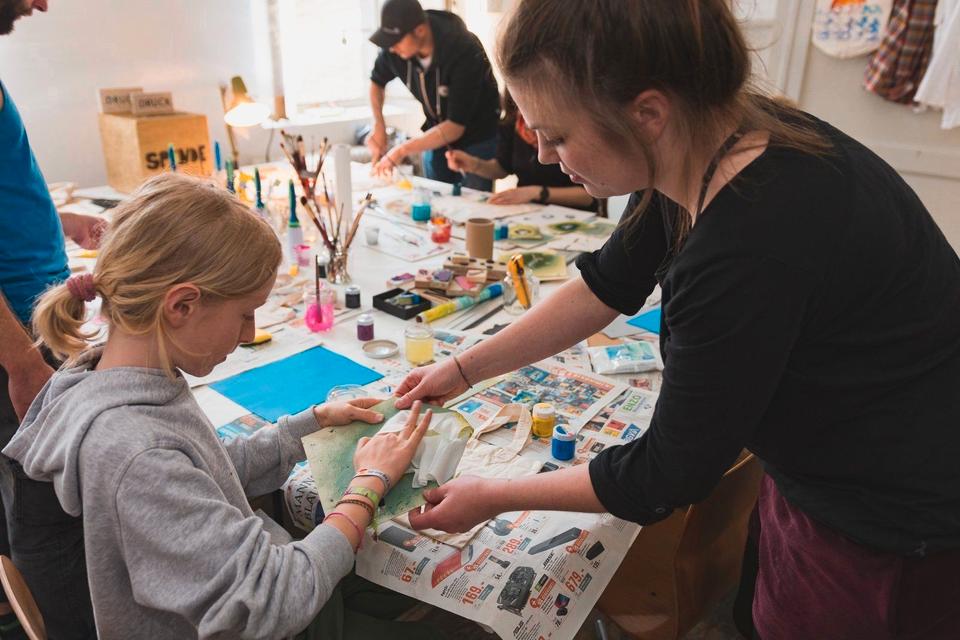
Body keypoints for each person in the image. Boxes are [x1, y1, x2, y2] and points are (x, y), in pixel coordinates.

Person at [396, 1, 960, 638]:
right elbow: (607, 283)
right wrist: (462, 369)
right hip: (825, 462)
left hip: (894, 520)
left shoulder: (747, 244)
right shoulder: (703, 143)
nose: (546, 156)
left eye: (557, 135)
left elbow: (666, 475)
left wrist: (492, 495)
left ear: (648, 113)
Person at [3, 174, 441, 640]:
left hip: (259, 588)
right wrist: (368, 484)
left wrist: (306, 428)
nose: (249, 333)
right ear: (181, 305)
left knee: (396, 575)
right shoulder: (136, 451)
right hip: (267, 609)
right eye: (245, 313)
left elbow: (203, 475)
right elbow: (275, 599)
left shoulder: (109, 378)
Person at [0, 1, 105, 637]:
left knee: (38, 494)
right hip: (16, 337)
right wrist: (20, 360)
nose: (42, 4)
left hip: (32, 324)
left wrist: (55, 220)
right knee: (49, 510)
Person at [367, 0, 500, 191]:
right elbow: (376, 82)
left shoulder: (464, 49)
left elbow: (455, 127)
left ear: (420, 30)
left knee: (473, 202)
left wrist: (401, 150)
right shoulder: (394, 49)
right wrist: (379, 125)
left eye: (396, 41)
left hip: (477, 137)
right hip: (435, 132)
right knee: (434, 199)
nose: (392, 48)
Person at [446, 93, 597, 211]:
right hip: (527, 211)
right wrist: (473, 164)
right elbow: (502, 168)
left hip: (574, 216)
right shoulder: (512, 122)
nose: (543, 156)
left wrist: (535, 192)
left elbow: (588, 197)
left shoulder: (573, 126)